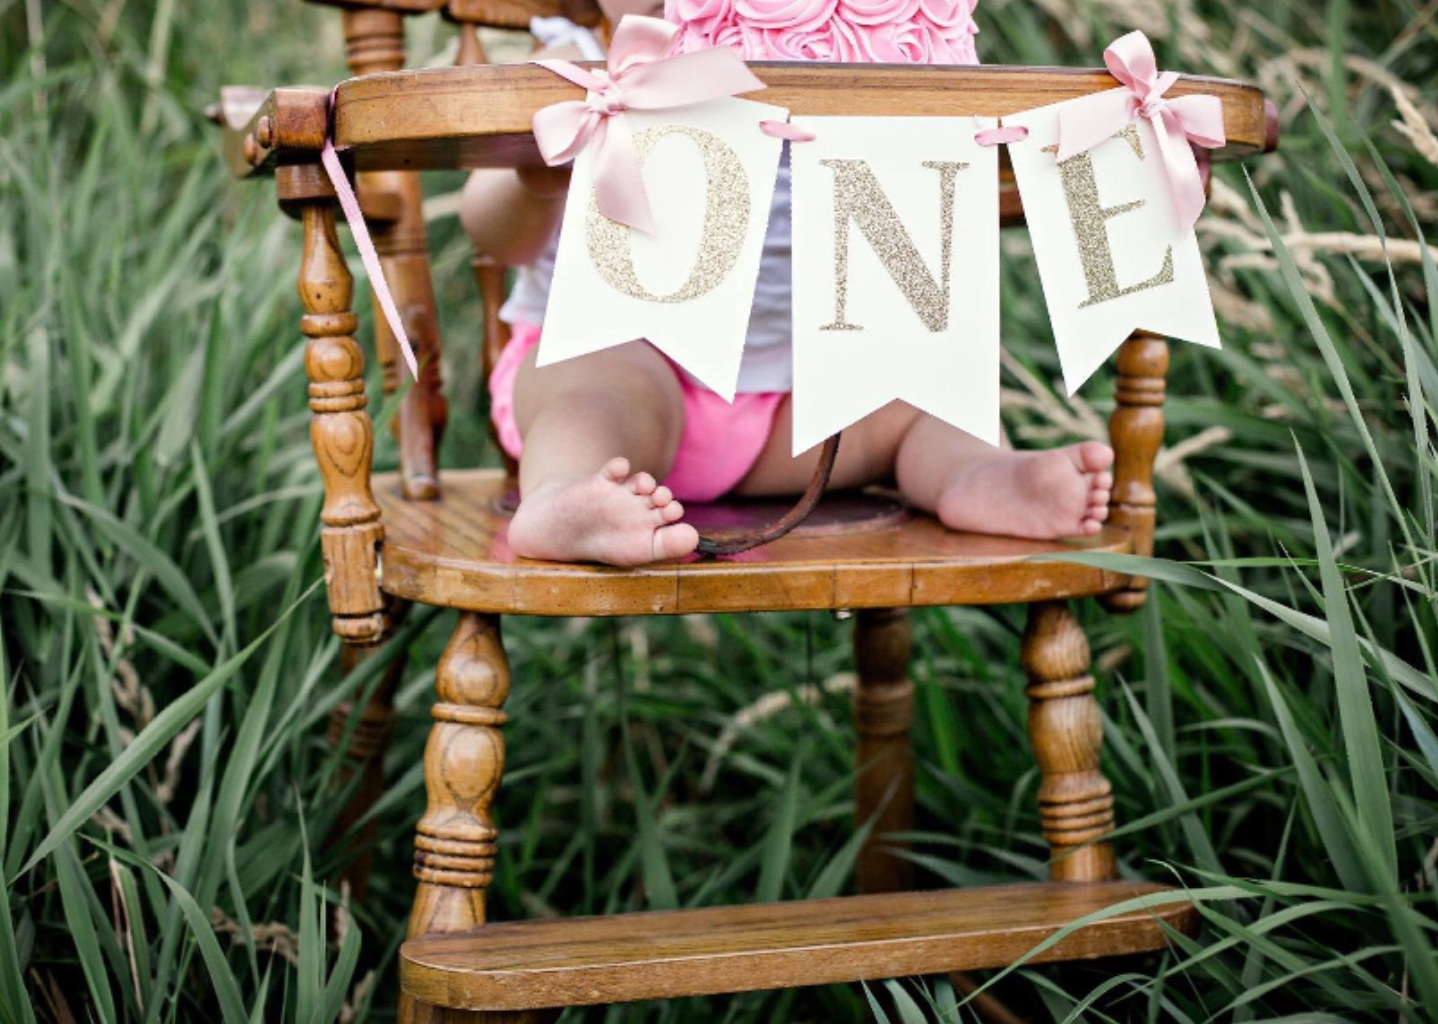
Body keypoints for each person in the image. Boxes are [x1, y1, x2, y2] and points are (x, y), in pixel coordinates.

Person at [460, 0, 1114, 566]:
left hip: (798, 413)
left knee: (917, 394)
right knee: (596, 387)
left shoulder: (838, 68)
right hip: (636, 375)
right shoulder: (575, 65)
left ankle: (979, 475)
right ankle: (566, 496)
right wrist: (532, 179)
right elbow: (494, 235)